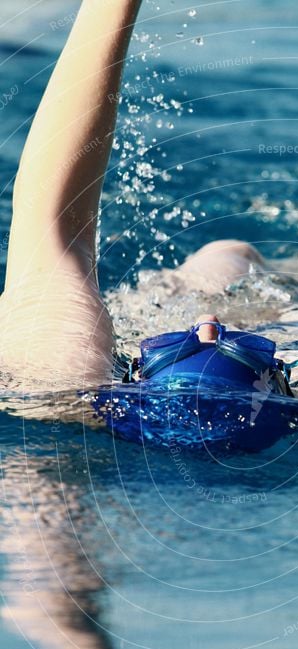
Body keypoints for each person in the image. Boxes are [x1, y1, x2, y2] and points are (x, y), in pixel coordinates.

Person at [0, 0, 267, 389]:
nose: (208, 324)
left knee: (227, 257)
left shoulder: (59, 374)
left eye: (178, 351)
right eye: (242, 352)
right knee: (234, 256)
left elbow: (51, 217)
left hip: (99, 357)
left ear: (135, 378)